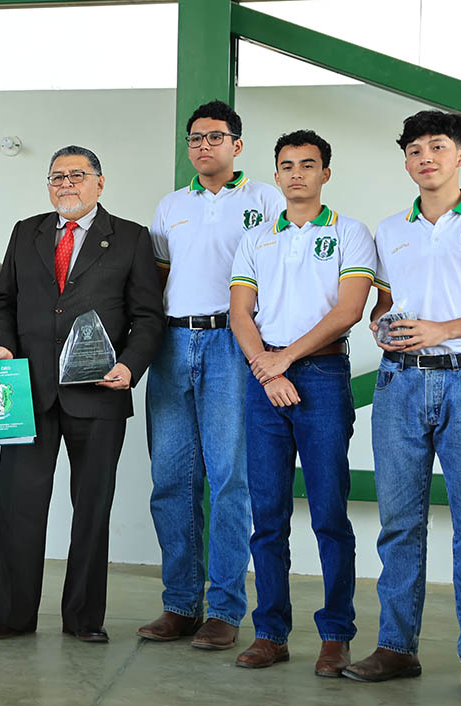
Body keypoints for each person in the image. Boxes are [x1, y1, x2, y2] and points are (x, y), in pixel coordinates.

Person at [342, 111, 461, 706]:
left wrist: (441, 330)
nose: (425, 157)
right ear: (405, 161)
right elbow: (384, 305)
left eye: (438, 146)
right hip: (399, 384)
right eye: (414, 150)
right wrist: (383, 325)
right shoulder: (390, 229)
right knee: (399, 523)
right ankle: (396, 647)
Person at [0, 146, 164, 643]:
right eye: (57, 176)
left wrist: (130, 366)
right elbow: (3, 302)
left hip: (99, 392)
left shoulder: (131, 238)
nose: (66, 184)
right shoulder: (26, 232)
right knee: (16, 506)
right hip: (28, 391)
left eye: (77, 175)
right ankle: (11, 616)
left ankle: (83, 619)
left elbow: (148, 316)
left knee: (92, 509)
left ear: (99, 183)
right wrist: (1, 343)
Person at [228, 130, 374, 675]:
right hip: (264, 379)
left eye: (307, 165)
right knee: (267, 515)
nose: (296, 174)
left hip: (322, 377)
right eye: (286, 165)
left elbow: (349, 310)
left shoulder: (350, 233)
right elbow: (240, 314)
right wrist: (267, 370)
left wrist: (283, 360)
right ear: (276, 174)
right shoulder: (256, 238)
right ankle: (271, 633)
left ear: (325, 174)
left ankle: (336, 635)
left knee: (329, 513)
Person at [139, 100, 283, 649]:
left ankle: (224, 608)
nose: (203, 146)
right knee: (171, 480)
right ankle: (180, 603)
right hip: (173, 343)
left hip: (233, 343)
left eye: (215, 137)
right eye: (195, 138)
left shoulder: (266, 200)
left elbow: (280, 273)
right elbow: (156, 280)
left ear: (236, 145)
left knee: (228, 480)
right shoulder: (171, 205)